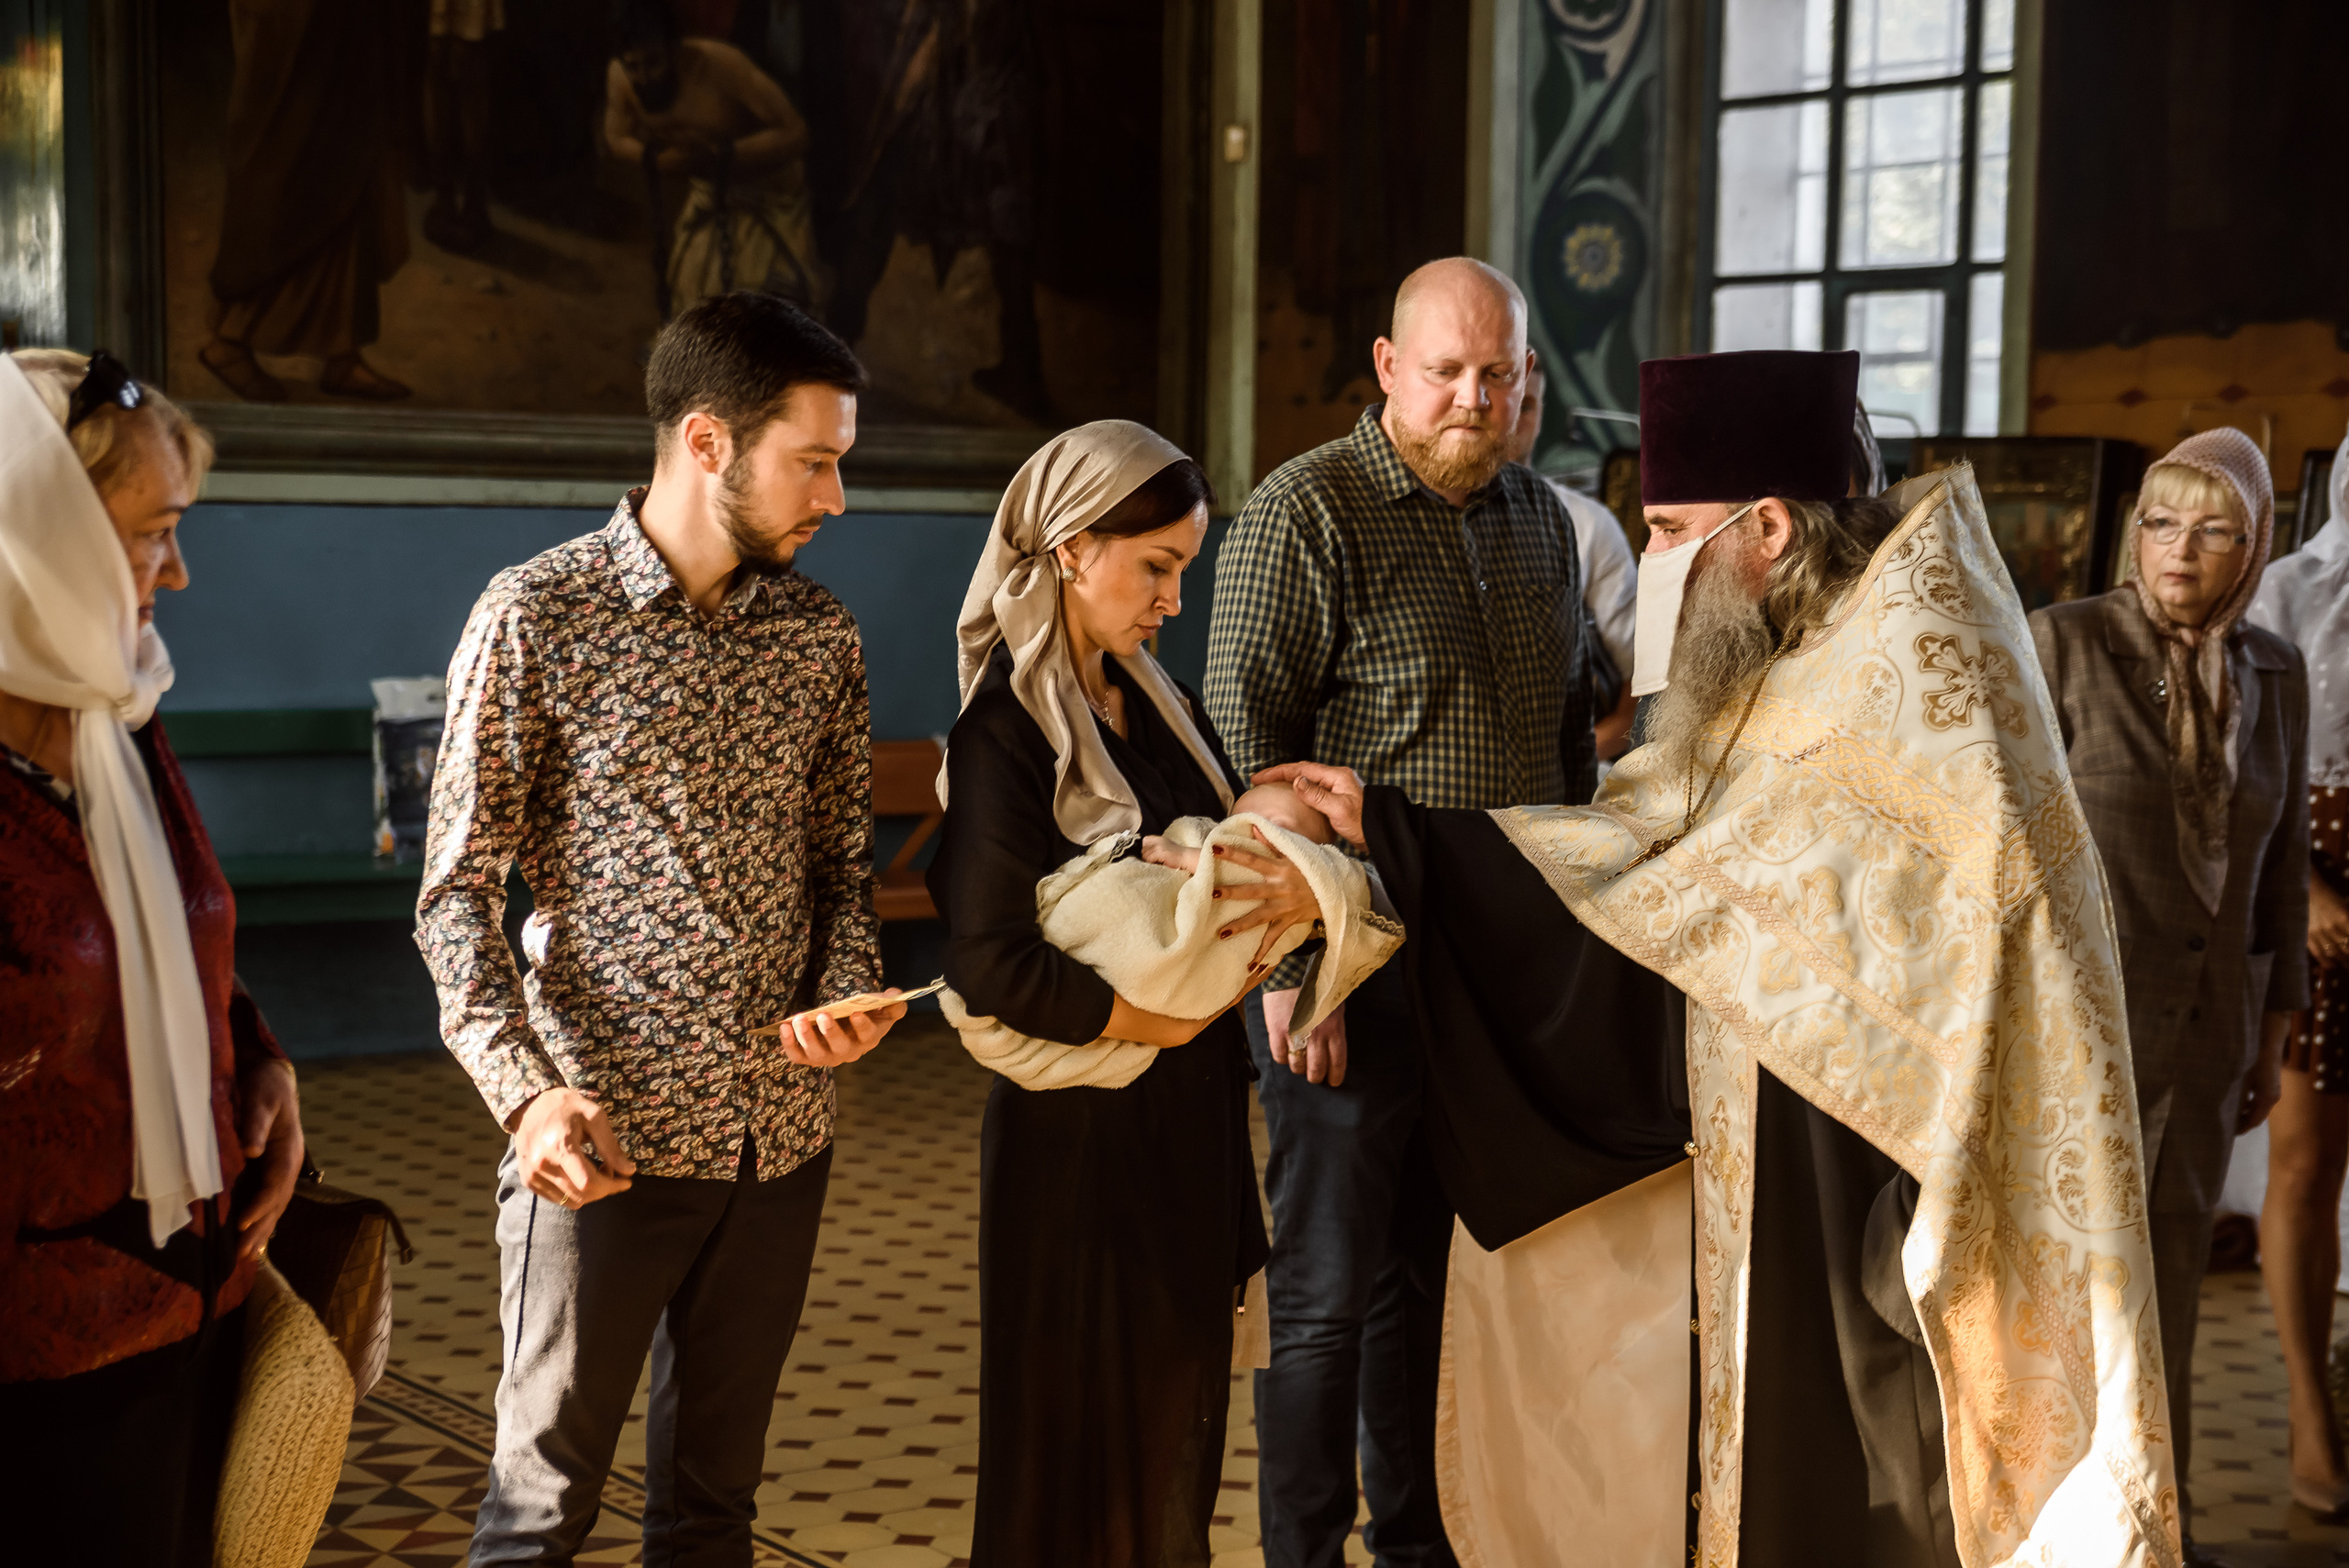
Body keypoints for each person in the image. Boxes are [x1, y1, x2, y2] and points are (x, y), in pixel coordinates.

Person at [1266, 348, 2176, 1567]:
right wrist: (1398, 834)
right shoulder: (1799, 643)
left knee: (1878, 1499)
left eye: (1668, 528)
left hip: (1890, 1181)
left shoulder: (1908, 672)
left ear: (1766, 525)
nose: (1652, 564)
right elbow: (1670, 846)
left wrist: (1413, 848)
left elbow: (1745, 894)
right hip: (1806, 1147)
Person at [417, 292, 909, 1563]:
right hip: (601, 1143)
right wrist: (526, 1100)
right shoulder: (538, 616)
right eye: (815, 462)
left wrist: (848, 988)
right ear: (707, 441)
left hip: (781, 1146)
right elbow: (455, 896)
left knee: (713, 1515)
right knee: (540, 1516)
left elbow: (837, 869)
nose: (836, 499)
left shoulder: (820, 637)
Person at [1204, 255, 1592, 1568]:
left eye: (1500, 376)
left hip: (1493, 989)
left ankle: (1413, 1546)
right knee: (1321, 1301)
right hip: (1350, 982)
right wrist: (1296, 968)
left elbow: (1566, 756)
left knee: (1427, 1293)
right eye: (1445, 374)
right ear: (1386, 369)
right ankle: (1304, 1555)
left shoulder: (1545, 523)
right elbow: (1241, 775)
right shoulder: (1301, 516)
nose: (1472, 400)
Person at [927, 423, 1310, 1565]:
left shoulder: (1160, 705)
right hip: (1078, 1151)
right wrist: (1160, 1017)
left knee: (1171, 1439)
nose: (1172, 601)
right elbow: (990, 961)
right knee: (1074, 1447)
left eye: (1183, 570)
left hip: (1185, 1122)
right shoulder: (1005, 732)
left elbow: (1219, 848)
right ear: (1071, 548)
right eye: (1157, 567)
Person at [0, 349, 307, 1565]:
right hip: (34, 1354)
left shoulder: (118, 717)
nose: (177, 573)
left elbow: (179, 950)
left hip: (184, 1309)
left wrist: (260, 1066)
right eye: (148, 537)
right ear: (34, 535)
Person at [2031, 428, 2309, 1564]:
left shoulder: (2274, 669)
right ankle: (2044, 1526)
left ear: (2254, 546)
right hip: (2077, 1035)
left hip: (2209, 1039)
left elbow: (2279, 868)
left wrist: (2272, 1032)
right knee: (2062, 1297)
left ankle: (2152, 1528)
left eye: (2211, 529)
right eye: (2158, 521)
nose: (2177, 551)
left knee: (2170, 1300)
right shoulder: (2062, 645)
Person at [940, 778, 1401, 1090]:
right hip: (1130, 969)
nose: (1256, 837)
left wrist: (1191, 858)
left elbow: (1237, 869)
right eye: (1245, 822)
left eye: (1278, 830)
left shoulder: (1311, 875)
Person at [2251, 424, 2349, 1518]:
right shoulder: (2291, 584)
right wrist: (2305, 889)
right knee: (2303, 1158)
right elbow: (2248, 748)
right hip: (2315, 875)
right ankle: (2306, 1410)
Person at [200, 0, 413, 402]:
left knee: (348, 166)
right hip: (293, 27)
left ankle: (341, 353)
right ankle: (229, 339)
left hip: (343, 26)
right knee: (287, 163)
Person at [605, 1, 829, 318]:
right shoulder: (621, 77)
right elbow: (615, 138)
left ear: (674, 49)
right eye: (634, 66)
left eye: (653, 62)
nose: (644, 77)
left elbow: (796, 133)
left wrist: (724, 155)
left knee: (760, 303)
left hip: (770, 194)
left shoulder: (721, 65)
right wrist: (661, 160)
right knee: (693, 293)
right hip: (710, 196)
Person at [1505, 354, 1637, 759]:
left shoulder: (1587, 525)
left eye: (1525, 405)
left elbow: (1644, 673)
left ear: (1542, 414)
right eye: (1500, 398)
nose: (1508, 418)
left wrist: (1583, 755)